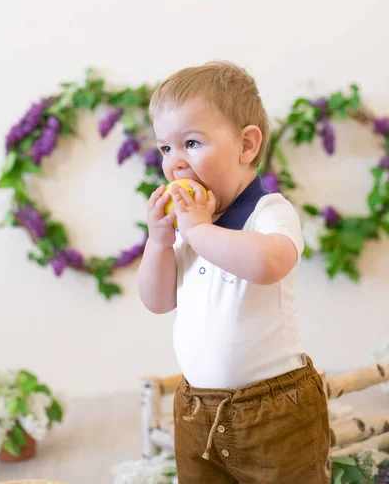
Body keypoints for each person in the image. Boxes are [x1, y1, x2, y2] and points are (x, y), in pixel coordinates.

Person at [138, 61, 330, 484]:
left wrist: (200, 230)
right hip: (195, 407)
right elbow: (157, 301)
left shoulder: (269, 211)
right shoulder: (189, 225)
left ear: (246, 145)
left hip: (274, 408)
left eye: (191, 142)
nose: (175, 164)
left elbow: (268, 264)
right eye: (165, 149)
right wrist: (157, 242)